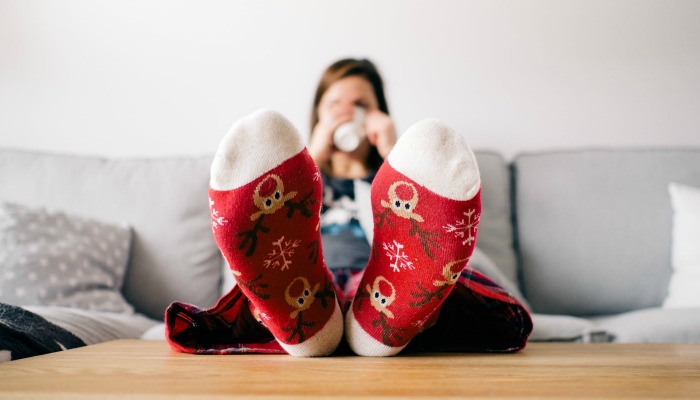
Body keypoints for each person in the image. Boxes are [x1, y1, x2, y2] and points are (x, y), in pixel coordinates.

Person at [164, 58, 532, 357]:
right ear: (318, 118)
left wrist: (394, 153)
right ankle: (323, 323)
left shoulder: (410, 183)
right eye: (335, 106)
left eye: (361, 106)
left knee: (431, 283)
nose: (348, 114)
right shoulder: (293, 180)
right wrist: (313, 157)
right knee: (271, 285)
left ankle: (367, 323)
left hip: (387, 280)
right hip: (302, 280)